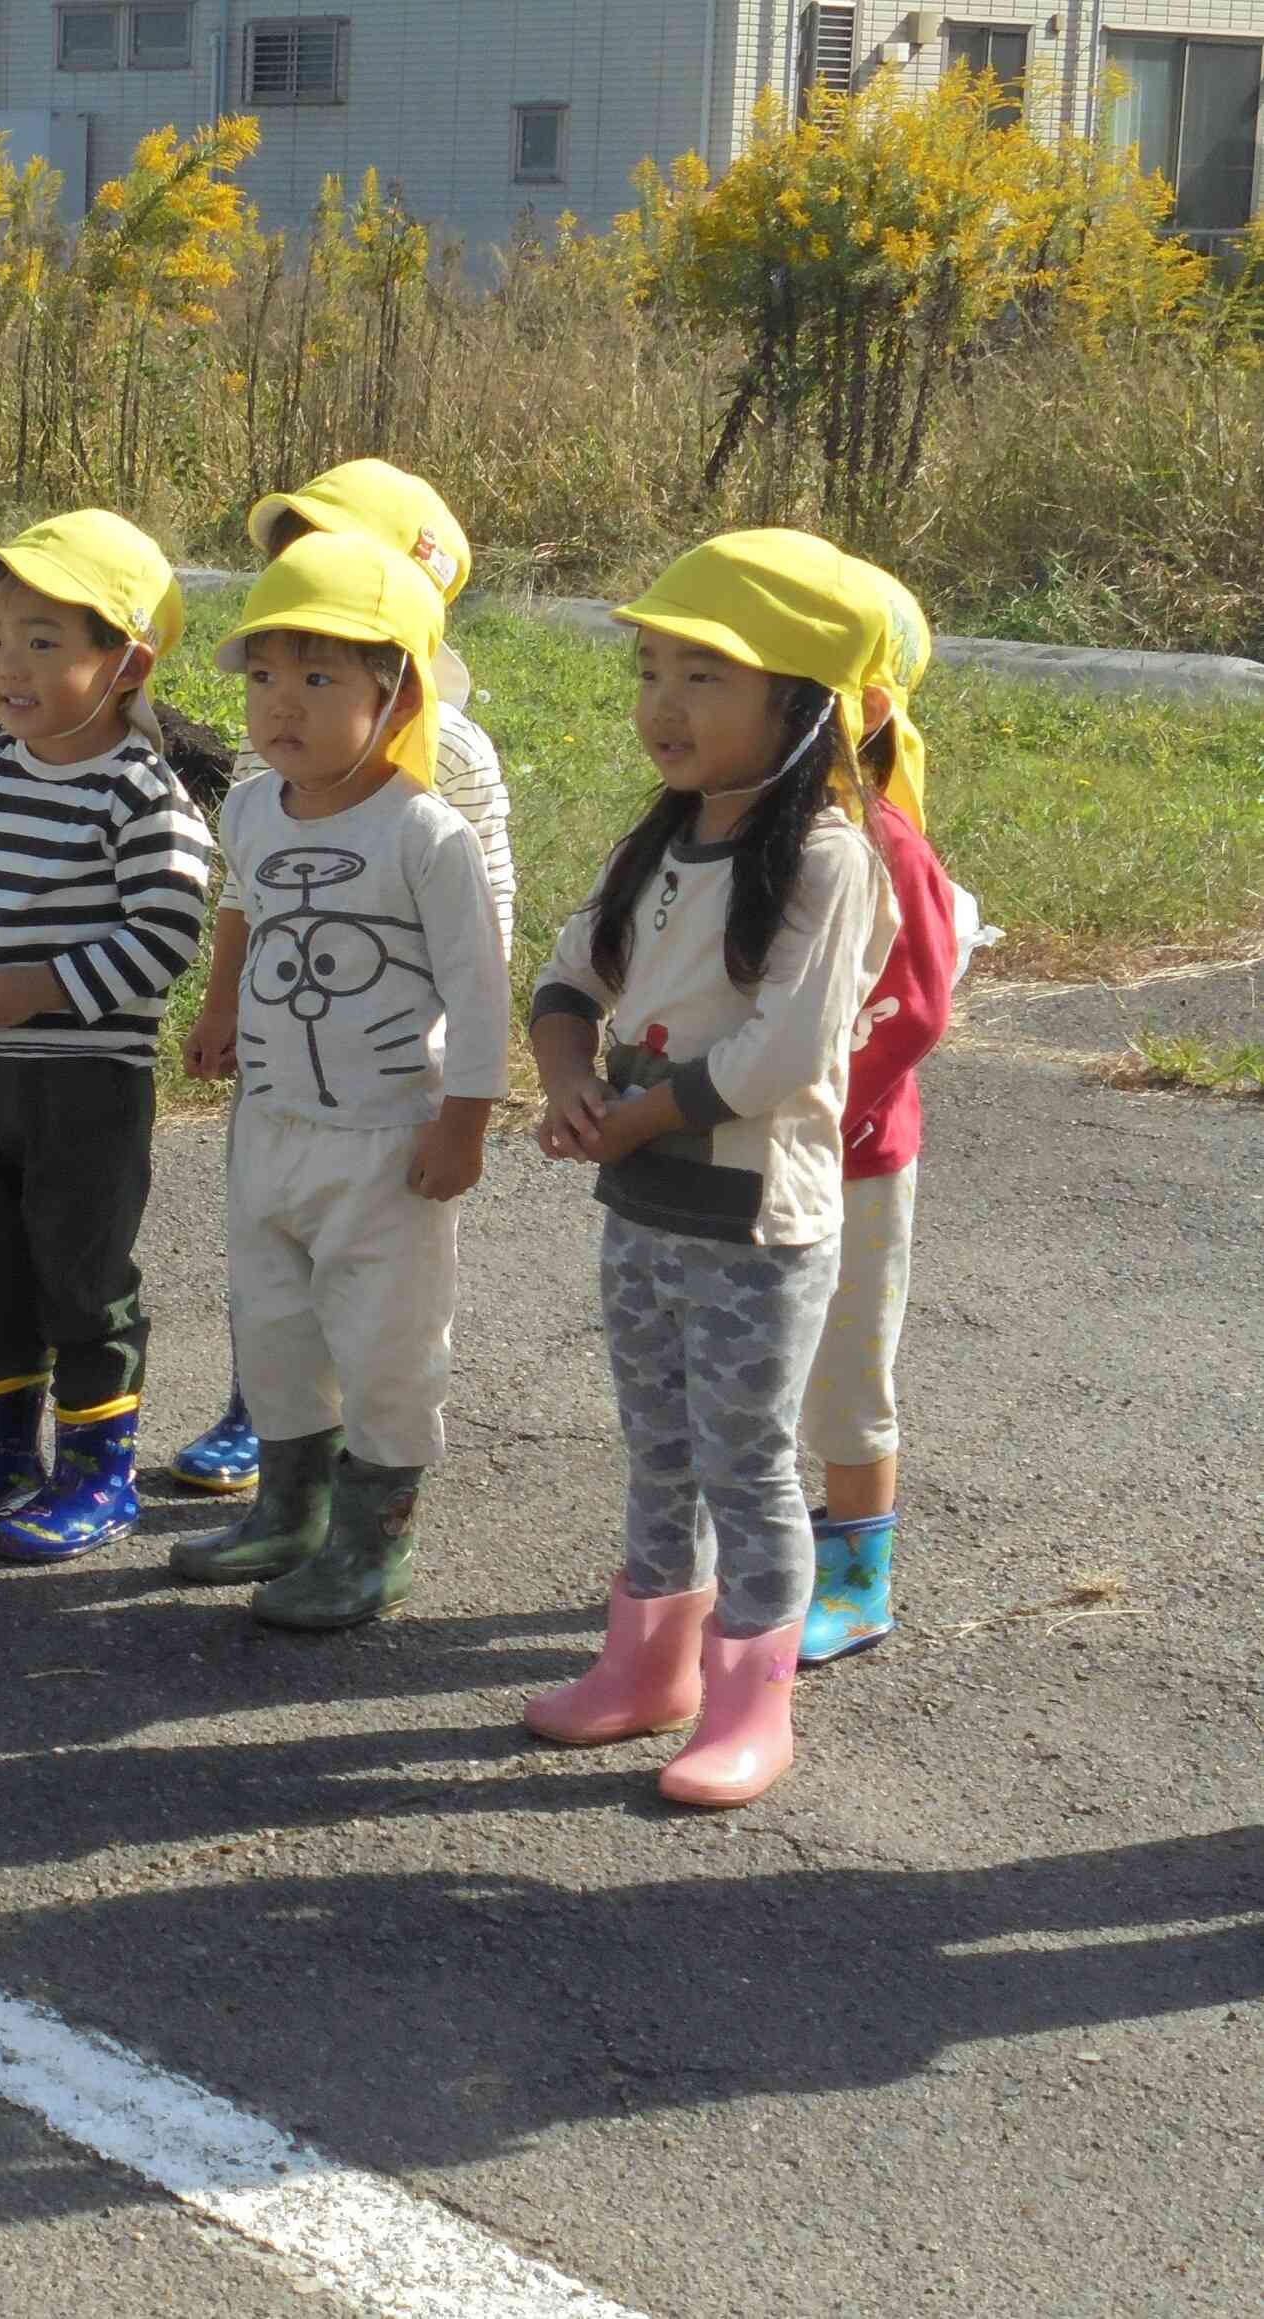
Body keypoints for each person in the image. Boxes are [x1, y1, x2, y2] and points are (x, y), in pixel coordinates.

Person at [521, 529, 900, 1809]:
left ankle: (751, 1701)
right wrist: (567, 1077)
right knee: (656, 1446)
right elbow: (572, 972)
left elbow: (782, 1052)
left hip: (753, 1224)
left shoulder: (827, 858)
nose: (662, 706)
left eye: (705, 676)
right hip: (644, 1208)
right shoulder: (660, 841)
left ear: (800, 708)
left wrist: (624, 1118)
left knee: (744, 1460)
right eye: (649, 671)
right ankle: (645, 1671)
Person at [170, 534, 509, 1629]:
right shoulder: (251, 808)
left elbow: (479, 984)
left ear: (393, 688)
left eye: (319, 679)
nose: (282, 706)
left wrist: (462, 1123)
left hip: (384, 1136)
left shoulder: (424, 833)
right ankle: (288, 1513)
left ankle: (372, 1544)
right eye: (265, 677)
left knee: (384, 1346)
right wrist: (218, 1005)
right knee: (271, 1324)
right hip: (269, 1123)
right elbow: (240, 906)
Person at [0, 510, 217, 1562]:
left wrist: (43, 987)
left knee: (79, 1275)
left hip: (84, 1079)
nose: (6, 666)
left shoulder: (141, 792)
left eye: (44, 642)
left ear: (124, 662)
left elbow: (166, 932)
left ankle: (97, 1470)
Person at [800, 557, 964, 1664]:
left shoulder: (882, 842)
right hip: (748, 1156)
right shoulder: (741, 838)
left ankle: (857, 1579)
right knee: (753, 1361)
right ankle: (777, 1544)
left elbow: (913, 1009)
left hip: (851, 1159)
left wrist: (819, 1107)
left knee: (847, 1369)